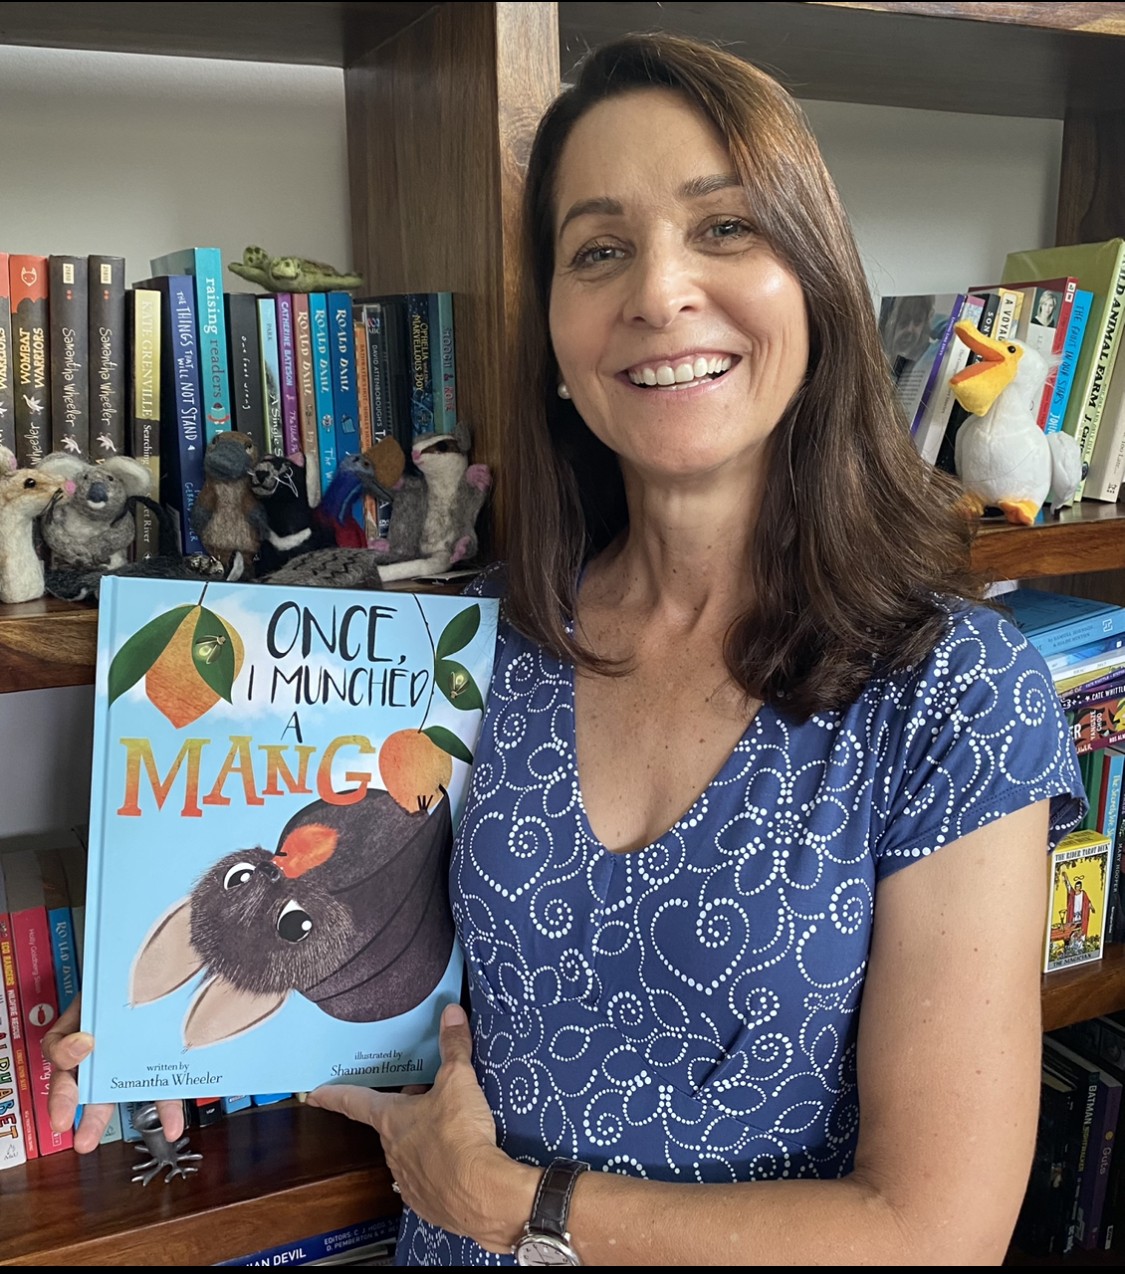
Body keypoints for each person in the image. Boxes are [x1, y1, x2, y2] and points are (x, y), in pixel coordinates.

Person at [45, 31, 1085, 1267]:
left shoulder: (954, 690)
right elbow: (360, 914)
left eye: (725, 227)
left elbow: (937, 1230)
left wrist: (523, 1205)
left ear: (813, 279)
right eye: (599, 249)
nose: (657, 292)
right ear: (554, 336)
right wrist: (135, 1008)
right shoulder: (466, 644)